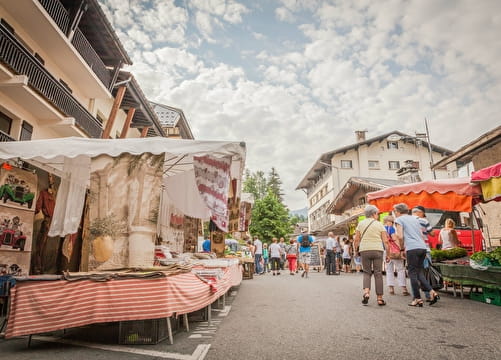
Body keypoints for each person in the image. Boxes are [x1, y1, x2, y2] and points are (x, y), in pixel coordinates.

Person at [393, 203, 440, 307]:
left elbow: (400, 236)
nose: (394, 213)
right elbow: (422, 233)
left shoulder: (399, 220)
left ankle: (417, 298)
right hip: (422, 247)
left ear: (398, 212)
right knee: (419, 272)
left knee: (412, 273)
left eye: (395, 211)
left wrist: (401, 249)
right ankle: (432, 292)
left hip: (412, 248)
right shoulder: (415, 219)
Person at [353, 205, 389, 306]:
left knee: (366, 272)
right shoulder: (379, 224)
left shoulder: (360, 224)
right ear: (373, 214)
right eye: (377, 214)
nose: (378, 215)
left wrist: (356, 250)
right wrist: (388, 253)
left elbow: (356, 240)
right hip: (378, 250)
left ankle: (366, 293)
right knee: (378, 273)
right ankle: (380, 298)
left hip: (365, 250)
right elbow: (385, 241)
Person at [412, 206, 435, 301]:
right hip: (425, 249)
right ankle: (428, 294)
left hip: (412, 249)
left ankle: (416, 296)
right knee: (425, 272)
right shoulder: (424, 221)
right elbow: (433, 234)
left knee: (414, 272)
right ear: (420, 212)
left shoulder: (408, 221)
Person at [383, 215, 409, 296]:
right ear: (387, 221)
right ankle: (404, 288)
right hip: (395, 251)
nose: (392, 223)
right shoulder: (391, 229)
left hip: (386, 251)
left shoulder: (382, 229)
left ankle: (391, 288)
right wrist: (401, 248)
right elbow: (394, 238)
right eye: (391, 221)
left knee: (389, 270)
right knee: (400, 269)